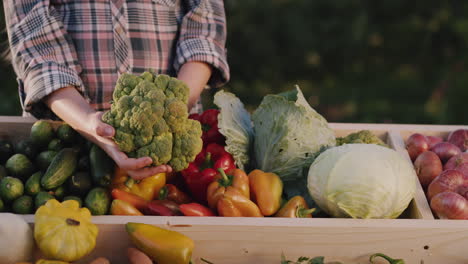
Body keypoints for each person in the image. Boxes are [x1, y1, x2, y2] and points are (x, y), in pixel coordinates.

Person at [3, 0, 230, 179]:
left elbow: (205, 30)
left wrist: (173, 112)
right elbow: (38, 48)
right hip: (63, 144)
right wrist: (90, 122)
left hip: (169, 151)